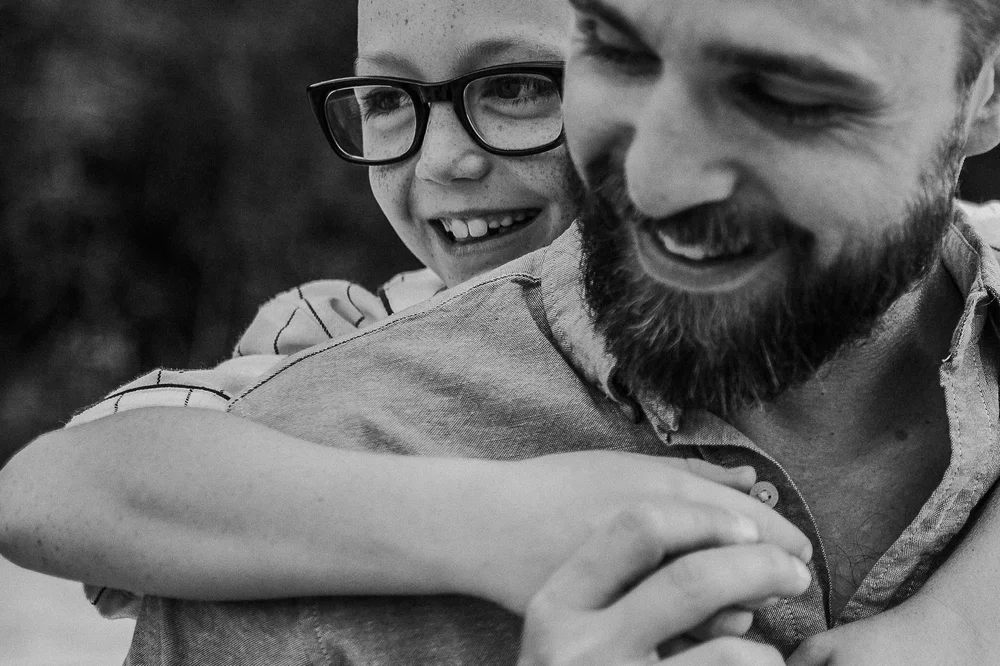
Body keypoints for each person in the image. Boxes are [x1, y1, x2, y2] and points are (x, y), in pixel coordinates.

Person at [3, 0, 1000, 662]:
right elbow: (62, 486)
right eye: (619, 50)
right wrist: (501, 518)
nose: (444, 163)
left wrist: (962, 618)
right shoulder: (332, 379)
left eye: (517, 87)